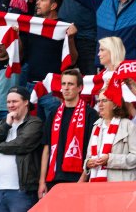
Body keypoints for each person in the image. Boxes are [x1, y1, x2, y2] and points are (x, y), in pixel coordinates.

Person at [38, 69, 98, 197]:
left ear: (80, 88)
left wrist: (83, 179)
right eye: (63, 84)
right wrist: (42, 181)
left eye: (70, 84)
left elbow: (92, 150)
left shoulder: (91, 114)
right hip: (54, 179)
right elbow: (47, 148)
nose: (66, 88)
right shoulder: (54, 114)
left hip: (77, 179)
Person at [0, 88, 42, 211]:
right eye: (8, 102)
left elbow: (20, 145)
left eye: (14, 101)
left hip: (21, 190)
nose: (11, 105)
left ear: (26, 102)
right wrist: (6, 125)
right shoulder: (5, 122)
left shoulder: (34, 122)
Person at [79, 93, 136, 183]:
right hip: (97, 190)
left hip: (122, 188)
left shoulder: (129, 125)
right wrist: (88, 163)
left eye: (104, 101)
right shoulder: (96, 126)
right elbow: (89, 157)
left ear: (115, 104)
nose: (100, 104)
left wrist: (110, 159)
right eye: (98, 101)